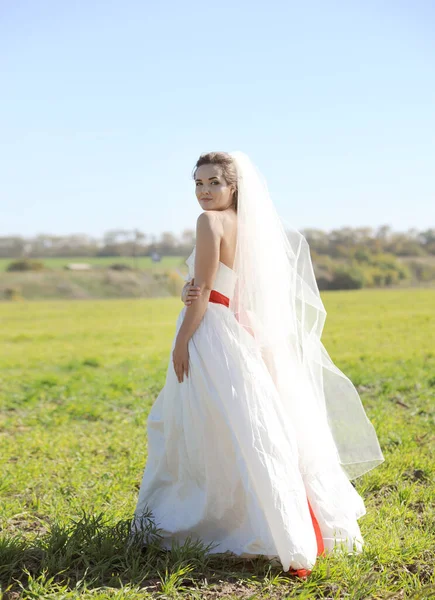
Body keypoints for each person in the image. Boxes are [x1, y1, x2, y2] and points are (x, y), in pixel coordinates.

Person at [131, 151, 384, 577]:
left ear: (233, 187)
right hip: (235, 327)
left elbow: (209, 288)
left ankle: (224, 523)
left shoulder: (209, 222)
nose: (205, 192)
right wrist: (192, 292)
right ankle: (279, 525)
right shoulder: (248, 227)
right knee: (247, 424)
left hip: (211, 332)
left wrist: (181, 341)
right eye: (198, 183)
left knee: (209, 425)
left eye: (214, 182)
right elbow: (225, 286)